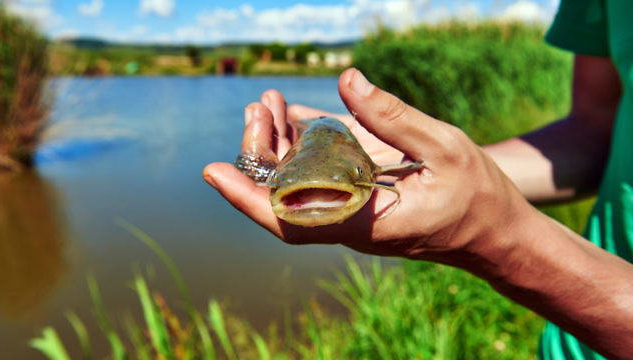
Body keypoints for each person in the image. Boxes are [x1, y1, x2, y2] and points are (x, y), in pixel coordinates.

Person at [203, 1, 633, 359]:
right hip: (563, 345)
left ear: (371, 175)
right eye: (284, 181)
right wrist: (457, 169)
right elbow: (596, 131)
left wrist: (503, 239)